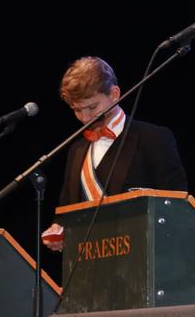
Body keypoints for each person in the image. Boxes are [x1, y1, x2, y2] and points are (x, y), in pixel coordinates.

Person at [41, 56, 187, 251]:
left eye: (92, 107)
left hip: (142, 255)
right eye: (77, 110)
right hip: (87, 261)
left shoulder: (153, 138)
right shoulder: (76, 150)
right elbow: (66, 210)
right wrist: (58, 228)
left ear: (114, 94)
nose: (85, 118)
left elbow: (176, 207)